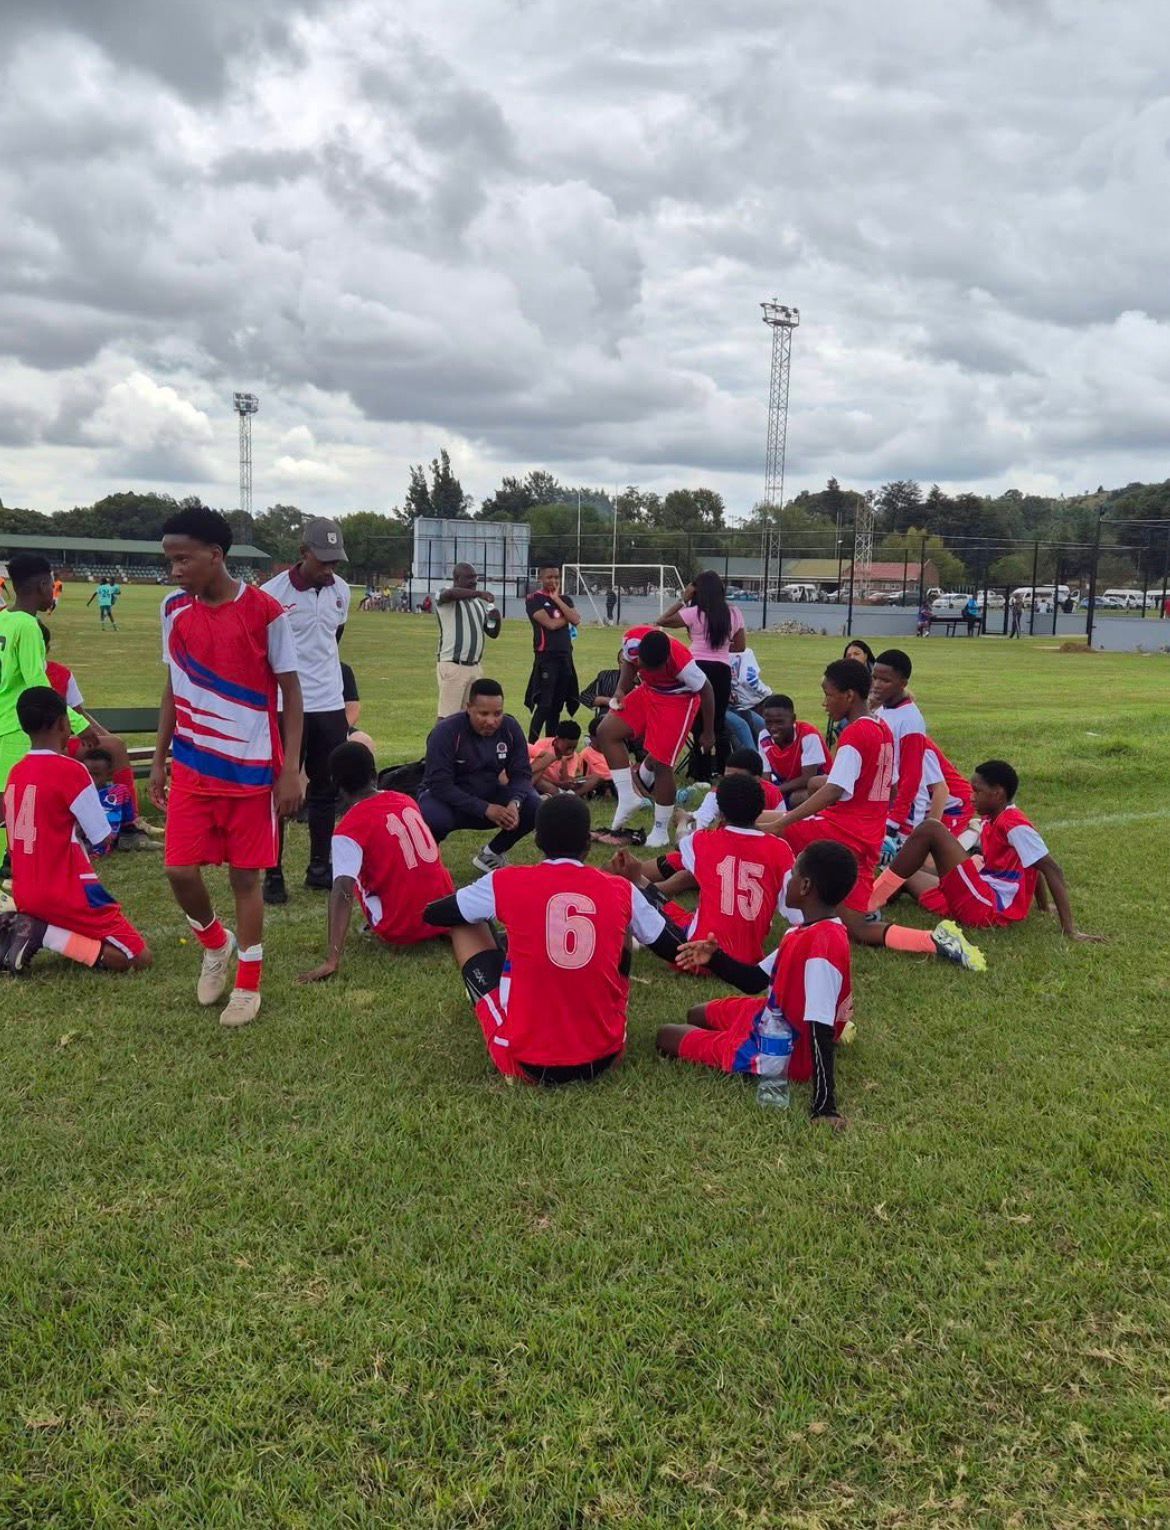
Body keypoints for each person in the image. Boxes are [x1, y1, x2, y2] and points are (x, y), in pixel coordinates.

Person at [150, 504, 304, 1029]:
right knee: (178, 870)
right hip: (193, 768)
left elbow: (292, 693)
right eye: (170, 560)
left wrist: (290, 769)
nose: (174, 570)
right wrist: (159, 758)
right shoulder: (174, 610)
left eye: (183, 559)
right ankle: (216, 944)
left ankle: (248, 984)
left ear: (215, 556)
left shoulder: (265, 611)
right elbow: (172, 686)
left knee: (245, 878)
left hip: (252, 770)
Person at [422, 794, 684, 1085]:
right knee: (623, 920)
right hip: (605, 1055)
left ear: (537, 841)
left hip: (527, 1061)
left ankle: (489, 989)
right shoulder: (620, 888)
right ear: (587, 844)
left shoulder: (506, 881)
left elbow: (435, 914)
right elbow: (673, 946)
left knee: (464, 923)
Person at [760, 658, 984, 969]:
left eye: (828, 694)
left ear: (849, 695)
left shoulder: (855, 733)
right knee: (859, 929)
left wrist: (784, 821)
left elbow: (834, 790)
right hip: (868, 839)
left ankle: (750, 914)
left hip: (840, 831)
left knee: (753, 827)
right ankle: (934, 940)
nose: (824, 703)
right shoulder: (882, 729)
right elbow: (890, 788)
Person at [657, 840, 857, 1126]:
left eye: (793, 873)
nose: (787, 880)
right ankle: (733, 1031)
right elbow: (753, 980)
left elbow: (820, 1027)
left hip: (779, 1049)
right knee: (696, 1014)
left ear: (805, 887)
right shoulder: (806, 932)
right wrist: (714, 959)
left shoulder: (822, 946)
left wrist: (825, 1107)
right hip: (771, 1013)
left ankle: (737, 1048)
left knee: (665, 1036)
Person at [1, 688, 151, 974]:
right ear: (63, 723)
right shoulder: (71, 770)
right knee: (136, 958)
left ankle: (32, 924)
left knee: (92, 938)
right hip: (67, 890)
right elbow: (103, 837)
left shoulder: (16, 772)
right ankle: (43, 932)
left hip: (25, 890)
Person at [868, 760, 1102, 941]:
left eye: (977, 791)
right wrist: (1041, 907)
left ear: (997, 793)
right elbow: (1031, 863)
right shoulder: (995, 818)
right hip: (980, 892)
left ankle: (868, 903)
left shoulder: (1014, 824)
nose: (971, 798)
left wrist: (1070, 930)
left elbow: (1051, 869)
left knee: (931, 829)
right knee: (908, 873)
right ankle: (876, 899)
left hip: (987, 906)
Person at [298, 741, 455, 982]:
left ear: (336, 784)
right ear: (374, 773)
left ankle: (384, 919)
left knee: (353, 872)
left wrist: (332, 959)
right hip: (443, 913)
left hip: (399, 928)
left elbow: (343, 890)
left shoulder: (349, 829)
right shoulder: (406, 800)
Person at [260, 519, 352, 902]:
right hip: (286, 705)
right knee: (279, 790)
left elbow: (334, 638)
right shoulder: (271, 594)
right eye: (323, 560)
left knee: (325, 788)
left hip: (330, 703)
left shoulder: (341, 590)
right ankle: (273, 872)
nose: (330, 569)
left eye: (335, 561)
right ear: (303, 553)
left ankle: (319, 867)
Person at [620, 773, 796, 967]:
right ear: (760, 809)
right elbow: (795, 912)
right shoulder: (781, 850)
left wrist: (683, 821)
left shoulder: (703, 841)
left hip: (697, 951)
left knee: (631, 891)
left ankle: (626, 924)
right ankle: (639, 882)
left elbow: (681, 842)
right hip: (747, 961)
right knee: (674, 904)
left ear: (721, 812)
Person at [0, 556, 92, 858]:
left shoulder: (3, 619)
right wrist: (79, 724)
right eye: (51, 584)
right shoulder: (29, 626)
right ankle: (15, 870)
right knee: (16, 807)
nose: (53, 590)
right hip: (14, 728)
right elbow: (38, 685)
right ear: (42, 585)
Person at [39, 620, 160, 839]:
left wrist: (106, 737)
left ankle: (130, 823)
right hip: (29, 745)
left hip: (63, 744)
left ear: (45, 647)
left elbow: (80, 713)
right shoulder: (12, 671)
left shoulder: (61, 674)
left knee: (116, 746)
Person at [596, 626, 715, 849]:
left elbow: (707, 691)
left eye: (657, 667)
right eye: (645, 665)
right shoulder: (631, 641)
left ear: (667, 660)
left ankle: (660, 831)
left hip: (678, 700)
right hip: (649, 691)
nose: (649, 670)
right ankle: (628, 797)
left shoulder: (683, 663)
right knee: (606, 731)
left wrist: (708, 732)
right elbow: (628, 662)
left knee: (662, 763)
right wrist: (621, 689)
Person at [418, 678, 540, 872]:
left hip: (488, 792)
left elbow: (522, 774)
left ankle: (491, 853)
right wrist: (485, 809)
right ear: (469, 708)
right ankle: (427, 862)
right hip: (449, 800)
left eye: (497, 713)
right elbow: (439, 784)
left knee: (534, 804)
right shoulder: (445, 731)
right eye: (483, 714)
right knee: (433, 815)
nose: (491, 721)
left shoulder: (510, 728)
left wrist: (514, 803)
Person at [657, 571, 745, 777]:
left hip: (696, 667)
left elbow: (662, 620)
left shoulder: (694, 613)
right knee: (718, 722)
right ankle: (723, 770)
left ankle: (700, 772)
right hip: (722, 669)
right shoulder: (733, 612)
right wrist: (722, 648)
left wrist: (683, 599)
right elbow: (740, 646)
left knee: (697, 723)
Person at [869, 649, 927, 846]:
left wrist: (894, 821)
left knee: (895, 861)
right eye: (874, 678)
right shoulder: (881, 710)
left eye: (885, 680)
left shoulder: (910, 721)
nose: (876, 685)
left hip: (903, 814)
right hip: (881, 802)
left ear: (903, 683)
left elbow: (911, 776)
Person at [434, 562, 500, 720]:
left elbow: (492, 633)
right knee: (447, 718)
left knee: (470, 718)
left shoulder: (477, 604)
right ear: (457, 578)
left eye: (475, 578)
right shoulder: (446, 595)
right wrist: (479, 593)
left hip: (474, 667)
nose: (474, 581)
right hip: (454, 664)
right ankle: (438, 738)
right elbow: (450, 594)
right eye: (469, 577)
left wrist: (496, 620)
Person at [524, 566, 581, 741]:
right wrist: (567, 617)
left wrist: (556, 599)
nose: (554, 581)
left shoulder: (565, 599)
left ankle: (550, 743)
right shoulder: (534, 599)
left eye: (556, 577)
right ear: (540, 578)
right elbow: (551, 624)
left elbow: (576, 620)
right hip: (547, 657)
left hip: (565, 657)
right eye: (549, 577)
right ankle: (531, 745)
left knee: (557, 705)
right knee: (544, 704)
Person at [81, 747, 159, 852]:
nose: (91, 778)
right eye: (88, 773)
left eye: (97, 774)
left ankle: (131, 839)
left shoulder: (118, 792)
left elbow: (128, 818)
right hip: (87, 837)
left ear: (108, 774)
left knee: (133, 835)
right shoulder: (79, 794)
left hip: (116, 835)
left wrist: (130, 828)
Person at [758, 694, 830, 805]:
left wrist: (774, 791)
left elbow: (808, 778)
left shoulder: (808, 734)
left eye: (779, 722)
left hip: (816, 787)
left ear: (793, 719)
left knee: (796, 798)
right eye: (768, 722)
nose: (773, 728)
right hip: (785, 786)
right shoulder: (764, 737)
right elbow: (765, 777)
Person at [827, 640, 875, 746]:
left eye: (856, 654)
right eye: (849, 655)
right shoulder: (843, 677)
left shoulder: (877, 675)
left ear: (866, 655)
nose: (852, 657)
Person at [726, 647, 770, 750]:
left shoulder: (737, 654)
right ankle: (754, 758)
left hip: (736, 706)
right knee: (742, 726)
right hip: (719, 708)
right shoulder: (743, 653)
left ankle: (768, 756)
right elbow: (748, 680)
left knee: (762, 726)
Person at [529, 720, 585, 796]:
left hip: (556, 786)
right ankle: (562, 795)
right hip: (542, 781)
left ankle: (560, 795)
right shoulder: (542, 743)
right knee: (539, 780)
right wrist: (558, 784)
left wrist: (564, 761)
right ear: (557, 739)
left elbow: (566, 781)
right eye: (568, 748)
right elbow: (534, 770)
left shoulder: (574, 756)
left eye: (574, 748)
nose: (571, 751)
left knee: (595, 778)